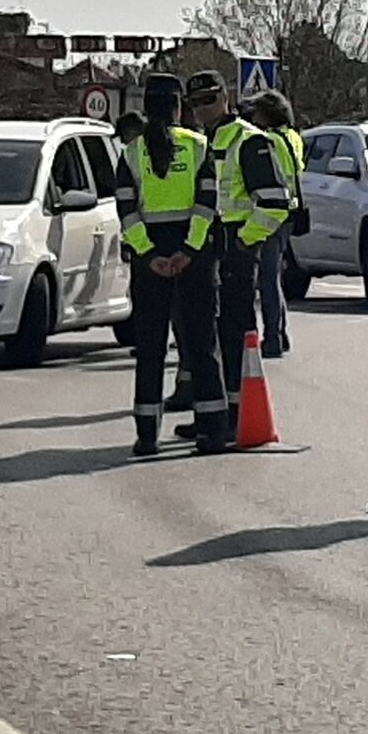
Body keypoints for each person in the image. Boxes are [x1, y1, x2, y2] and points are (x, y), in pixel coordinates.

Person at [113, 74, 228, 456]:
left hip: (149, 264)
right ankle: (212, 432)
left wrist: (149, 255)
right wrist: (188, 251)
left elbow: (126, 211)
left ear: (146, 108)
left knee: (150, 349)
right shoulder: (198, 146)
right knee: (201, 346)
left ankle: (147, 436)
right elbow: (207, 205)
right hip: (194, 260)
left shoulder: (131, 153)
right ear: (180, 108)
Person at [177, 70, 292, 446]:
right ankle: (210, 414)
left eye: (209, 100)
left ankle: (236, 417)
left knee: (233, 334)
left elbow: (275, 203)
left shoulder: (250, 140)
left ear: (225, 97)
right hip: (203, 250)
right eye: (195, 103)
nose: (202, 109)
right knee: (202, 336)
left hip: (234, 251)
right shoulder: (197, 143)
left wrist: (243, 242)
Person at [245, 90, 305, 358]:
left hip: (273, 213)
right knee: (273, 277)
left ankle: (273, 338)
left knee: (267, 279)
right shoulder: (292, 137)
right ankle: (280, 334)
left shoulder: (268, 141)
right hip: (288, 214)